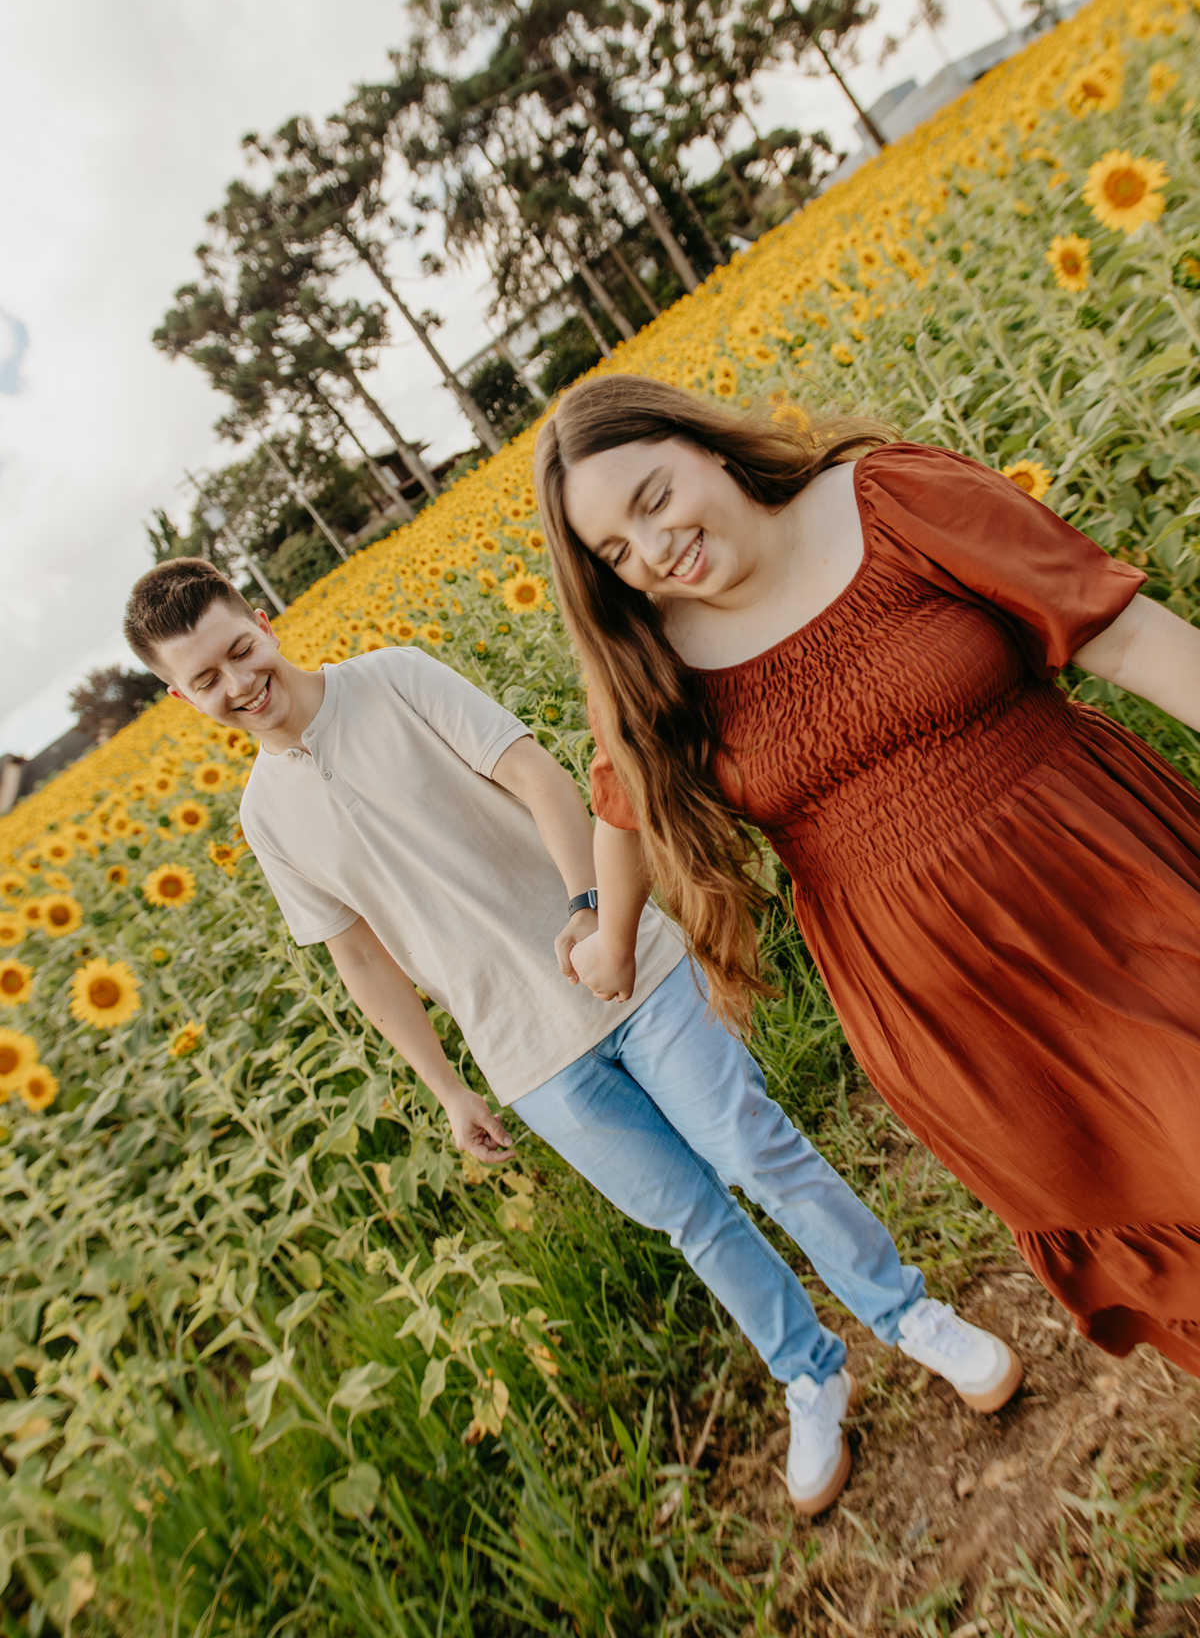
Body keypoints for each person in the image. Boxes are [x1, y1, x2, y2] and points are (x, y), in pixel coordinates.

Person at [122, 557, 1019, 1515]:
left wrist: (592, 911)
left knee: (753, 1147)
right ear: (180, 698)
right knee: (691, 1220)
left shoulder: (393, 678)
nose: (238, 682)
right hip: (525, 1051)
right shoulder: (265, 817)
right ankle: (810, 1372)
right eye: (206, 678)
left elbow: (539, 777)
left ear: (263, 620)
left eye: (240, 649)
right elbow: (361, 959)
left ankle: (909, 1315)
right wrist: (447, 1089)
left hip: (626, 965)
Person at [535, 373, 1200, 1383]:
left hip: (1102, 881)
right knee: (1143, 1206)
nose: (654, 549)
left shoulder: (891, 499)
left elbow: (1128, 635)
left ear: (702, 443)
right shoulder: (654, 665)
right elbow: (621, 805)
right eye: (618, 553)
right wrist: (611, 936)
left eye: (654, 499)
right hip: (947, 1005)